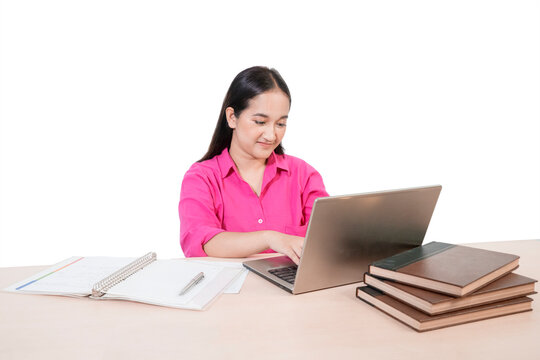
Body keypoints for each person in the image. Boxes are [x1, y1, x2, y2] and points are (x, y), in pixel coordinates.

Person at [178, 66, 328, 264]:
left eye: (280, 124)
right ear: (232, 117)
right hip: (228, 291)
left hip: (292, 290)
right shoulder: (201, 178)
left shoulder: (303, 174)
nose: (271, 135)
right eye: (260, 122)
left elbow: (327, 239)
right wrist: (270, 238)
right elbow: (201, 243)